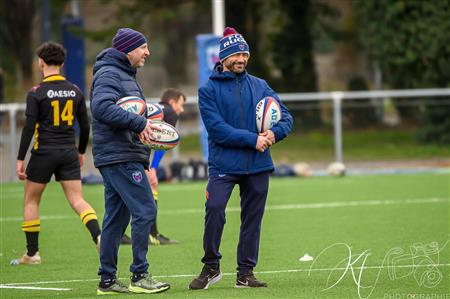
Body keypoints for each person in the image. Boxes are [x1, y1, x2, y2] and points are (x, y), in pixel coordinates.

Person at [188, 27, 293, 290]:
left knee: (252, 219)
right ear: (222, 58)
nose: (241, 59)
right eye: (235, 54)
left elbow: (286, 118)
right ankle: (211, 267)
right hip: (224, 164)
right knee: (214, 211)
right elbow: (217, 129)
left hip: (258, 164)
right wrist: (253, 139)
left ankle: (245, 273)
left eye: (244, 54)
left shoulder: (260, 86)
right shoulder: (208, 90)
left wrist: (272, 134)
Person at [90, 28, 170, 295]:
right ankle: (140, 275)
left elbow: (125, 109)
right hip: (119, 155)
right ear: (128, 49)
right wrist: (140, 123)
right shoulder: (110, 73)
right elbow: (101, 107)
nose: (148, 52)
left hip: (120, 154)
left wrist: (149, 118)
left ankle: (107, 281)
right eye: (143, 47)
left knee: (114, 221)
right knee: (146, 210)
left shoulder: (123, 74)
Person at [12, 41, 101, 265]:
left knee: (31, 202)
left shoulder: (36, 93)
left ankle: (32, 254)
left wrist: (21, 158)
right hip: (68, 152)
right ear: (62, 63)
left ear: (40, 63)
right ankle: (99, 236)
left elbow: (29, 127)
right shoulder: (75, 90)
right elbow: (85, 125)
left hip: (43, 153)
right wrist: (80, 151)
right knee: (78, 200)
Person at [122, 88, 185, 246]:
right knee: (150, 188)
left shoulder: (155, 108)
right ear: (171, 102)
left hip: (129, 152)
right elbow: (161, 142)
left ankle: (120, 233)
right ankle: (152, 234)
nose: (181, 109)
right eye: (181, 104)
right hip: (138, 155)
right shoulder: (170, 112)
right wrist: (153, 167)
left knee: (125, 191)